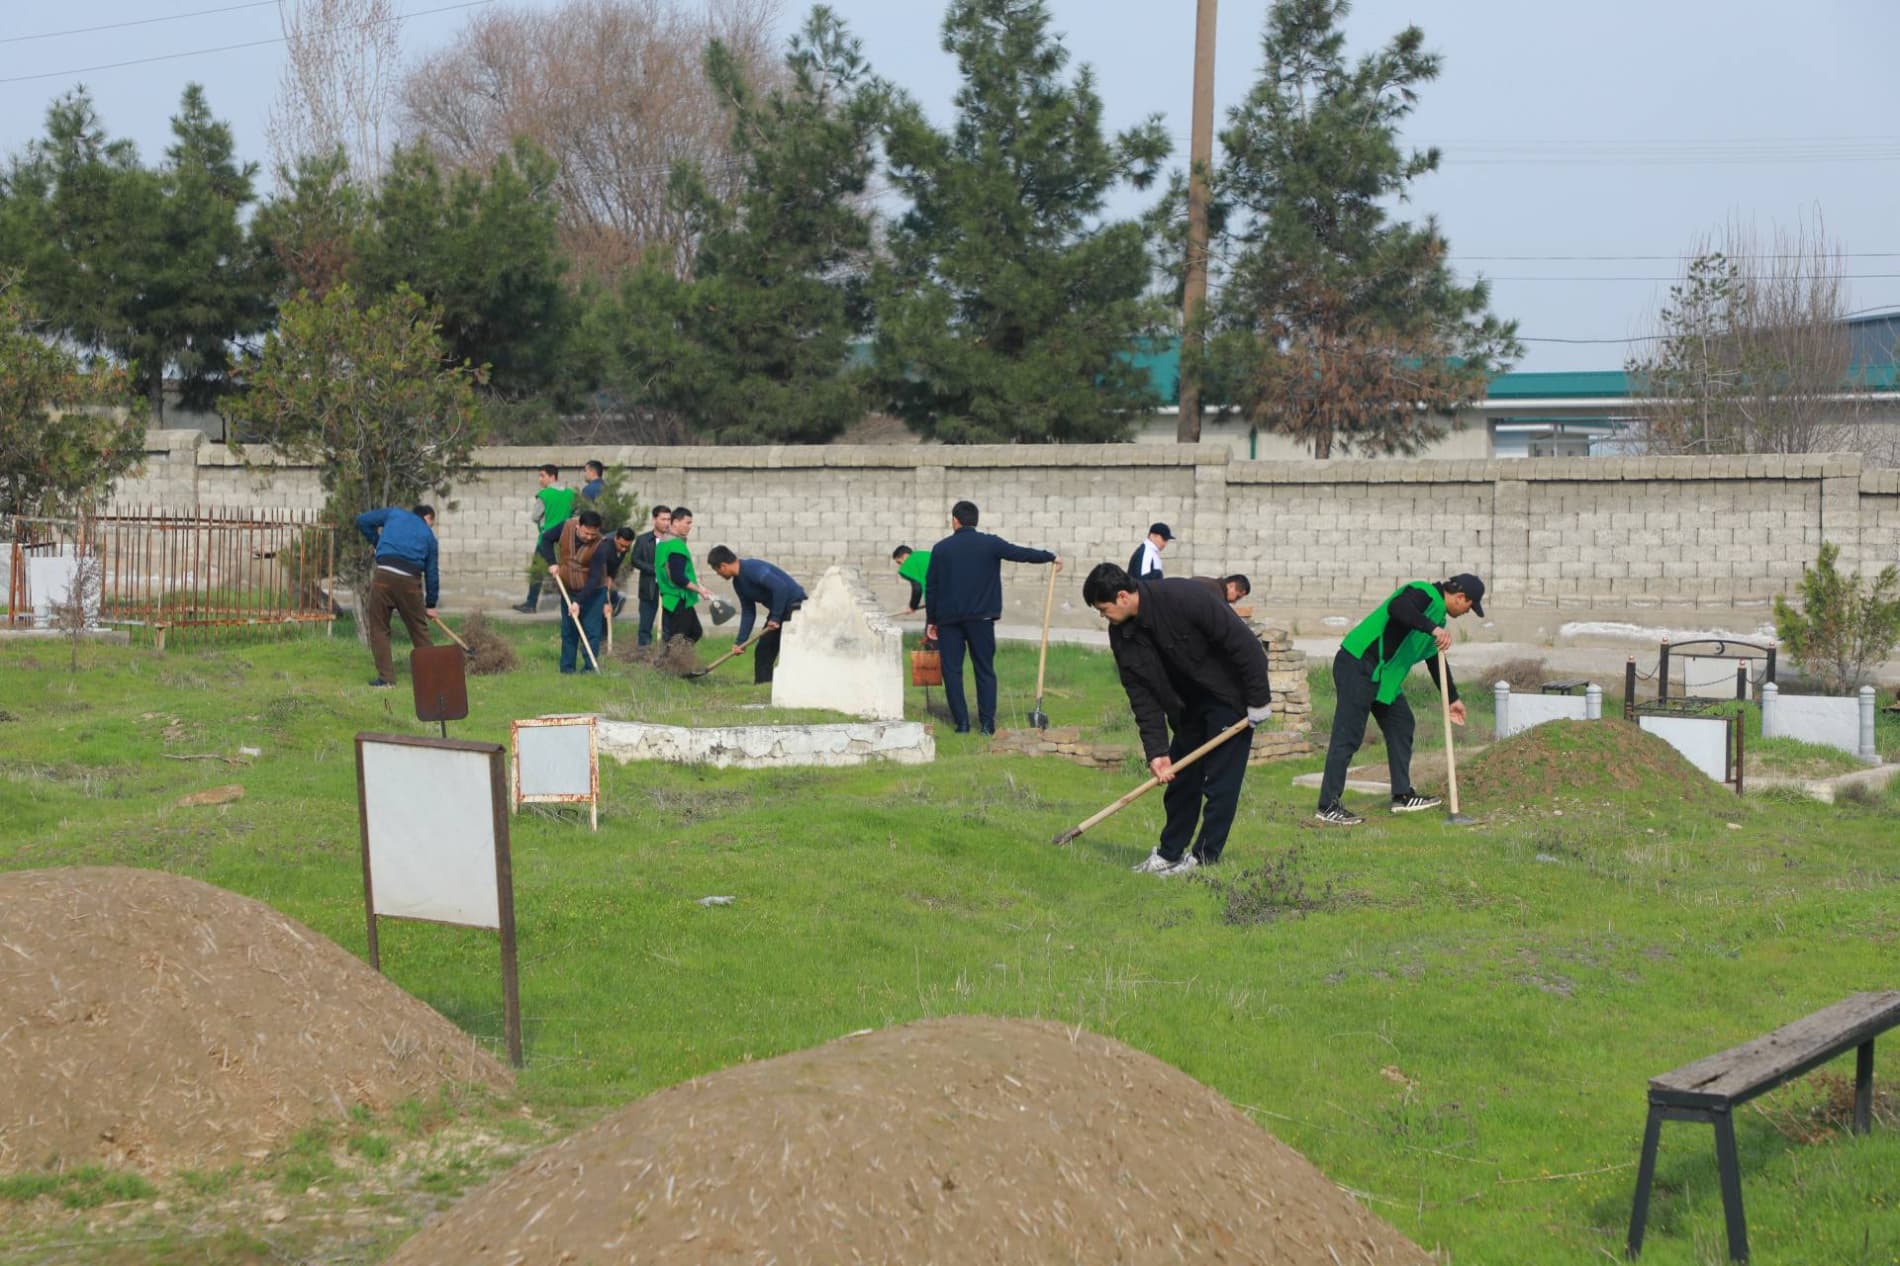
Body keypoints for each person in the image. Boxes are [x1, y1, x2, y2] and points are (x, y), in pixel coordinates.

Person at [1086, 563, 1273, 876]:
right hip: (1188, 707)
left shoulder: (1184, 596)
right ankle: (1170, 853)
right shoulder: (1122, 634)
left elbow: (1245, 646)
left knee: (1220, 783)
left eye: (1103, 609)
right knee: (1181, 780)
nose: (1103, 616)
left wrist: (1258, 701)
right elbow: (1141, 695)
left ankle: (1203, 859)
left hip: (1229, 700)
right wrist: (1157, 750)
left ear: (1122, 597)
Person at [1315, 573, 1487, 826]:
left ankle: (1402, 795)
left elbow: (1433, 660)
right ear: (1461, 597)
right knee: (1348, 735)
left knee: (1402, 723)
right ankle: (1328, 806)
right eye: (1469, 607)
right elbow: (1398, 608)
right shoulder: (1423, 592)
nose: (1466, 613)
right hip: (1358, 664)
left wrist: (1452, 698)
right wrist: (1433, 628)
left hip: (1384, 678)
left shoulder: (1436, 618)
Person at [924, 500, 1060, 734]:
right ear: (975, 521)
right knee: (984, 670)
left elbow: (932, 586)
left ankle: (962, 724)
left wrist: (931, 621)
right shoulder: (990, 543)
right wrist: (1049, 556)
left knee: (952, 671)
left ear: (954, 521)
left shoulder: (941, 548)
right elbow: (1021, 553)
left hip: (949, 621)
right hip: (982, 619)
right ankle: (987, 724)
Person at [354, 505, 439, 689]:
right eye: (432, 522)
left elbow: (361, 521)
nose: (430, 527)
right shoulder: (429, 537)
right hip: (410, 582)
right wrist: (431, 604)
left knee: (379, 627)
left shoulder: (395, 513)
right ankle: (434, 677)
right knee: (419, 629)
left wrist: (378, 543)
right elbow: (432, 573)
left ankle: (386, 680)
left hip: (383, 576)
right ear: (427, 517)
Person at [537, 509, 623, 673]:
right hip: (568, 589)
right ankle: (567, 669)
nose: (589, 537)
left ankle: (590, 668)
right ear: (578, 526)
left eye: (593, 534)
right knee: (569, 631)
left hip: (593, 592)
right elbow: (546, 539)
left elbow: (595, 578)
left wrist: (579, 601)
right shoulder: (566, 526)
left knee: (591, 631)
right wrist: (552, 562)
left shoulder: (601, 544)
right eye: (586, 533)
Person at [708, 546, 807, 684]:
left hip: (795, 606)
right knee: (763, 650)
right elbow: (749, 612)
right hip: (779, 610)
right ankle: (762, 686)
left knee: (792, 650)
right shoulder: (738, 583)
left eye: (717, 571)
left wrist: (776, 617)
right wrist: (740, 641)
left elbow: (781, 587)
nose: (719, 575)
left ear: (723, 566)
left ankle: (799, 684)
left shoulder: (752, 569)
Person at [515, 464, 577, 613]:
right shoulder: (571, 494)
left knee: (537, 571)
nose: (540, 479)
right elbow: (575, 513)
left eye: (542, 475)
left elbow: (535, 516)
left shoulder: (544, 495)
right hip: (565, 538)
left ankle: (531, 604)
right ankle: (574, 602)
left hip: (547, 538)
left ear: (552, 476)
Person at [655, 506, 714, 643]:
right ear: (675, 522)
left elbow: (678, 572)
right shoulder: (675, 546)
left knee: (694, 632)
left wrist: (700, 586)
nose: (690, 526)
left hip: (672, 596)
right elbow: (678, 577)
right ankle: (669, 662)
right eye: (687, 522)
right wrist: (699, 591)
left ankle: (681, 661)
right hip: (677, 598)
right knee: (680, 637)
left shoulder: (664, 542)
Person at [892, 544, 931, 614]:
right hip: (952, 597)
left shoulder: (909, 563)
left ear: (905, 556)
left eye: (899, 562)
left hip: (938, 603)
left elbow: (917, 589)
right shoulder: (926, 555)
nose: (901, 565)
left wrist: (912, 606)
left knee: (932, 624)